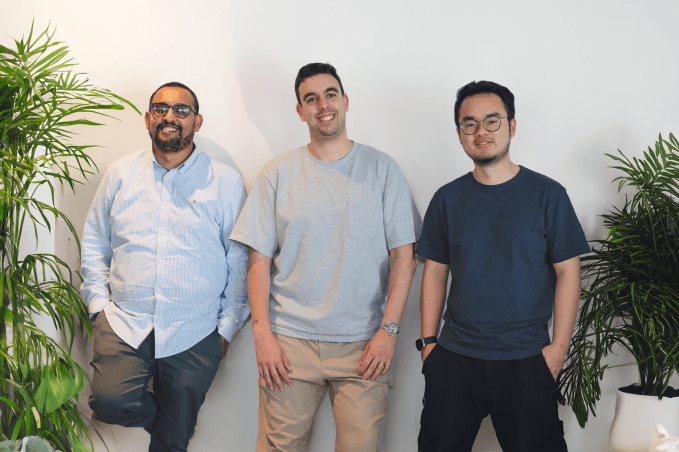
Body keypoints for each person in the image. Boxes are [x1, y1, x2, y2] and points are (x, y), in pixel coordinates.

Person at [230, 63, 422, 452]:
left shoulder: (382, 170)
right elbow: (258, 262)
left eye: (330, 94)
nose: (323, 105)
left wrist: (388, 332)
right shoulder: (277, 174)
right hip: (289, 346)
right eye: (310, 99)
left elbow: (406, 257)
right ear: (300, 111)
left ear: (345, 101)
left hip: (364, 345)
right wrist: (263, 334)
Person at [416, 80, 590, 451]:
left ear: (512, 126)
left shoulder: (548, 196)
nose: (481, 132)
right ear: (460, 132)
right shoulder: (447, 199)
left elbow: (568, 271)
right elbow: (434, 271)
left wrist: (558, 347)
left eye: (492, 121)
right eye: (470, 123)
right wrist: (429, 344)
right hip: (455, 358)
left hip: (527, 358)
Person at [80, 82, 249, 451]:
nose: (169, 116)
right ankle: (172, 425)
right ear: (147, 118)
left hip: (196, 328)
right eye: (160, 108)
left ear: (197, 121)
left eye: (181, 110)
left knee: (172, 445)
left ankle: (173, 431)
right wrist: (98, 307)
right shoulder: (120, 174)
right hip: (126, 321)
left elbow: (238, 258)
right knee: (110, 403)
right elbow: (95, 240)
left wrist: (226, 328)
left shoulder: (225, 182)